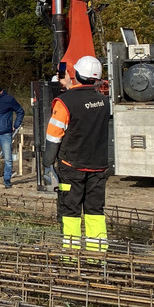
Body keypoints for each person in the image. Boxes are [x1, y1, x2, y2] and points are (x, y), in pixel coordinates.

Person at [43, 55, 111, 253]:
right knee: (95, 211)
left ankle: (71, 255)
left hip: (72, 165)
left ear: (77, 74)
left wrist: (48, 161)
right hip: (98, 166)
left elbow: (54, 135)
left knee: (70, 210)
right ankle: (96, 255)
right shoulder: (103, 102)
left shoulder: (65, 102)